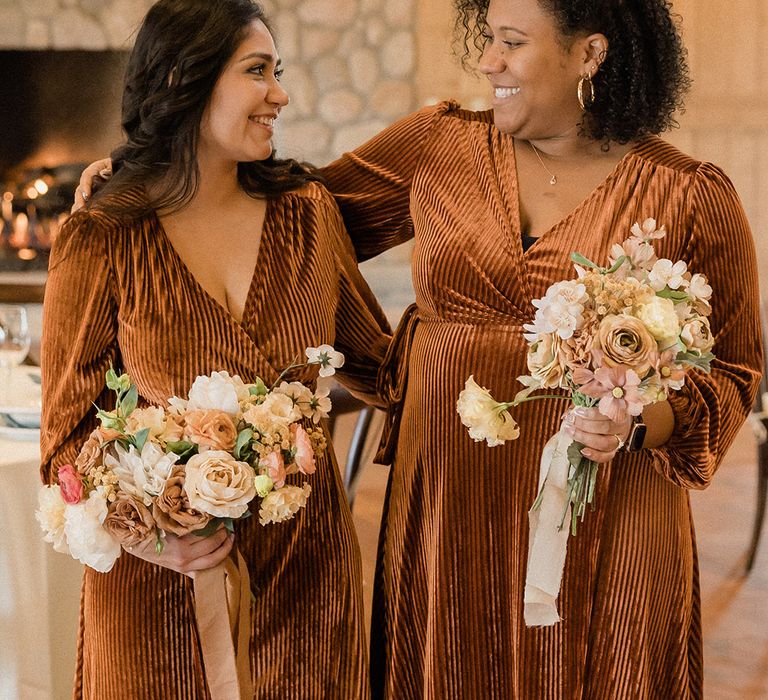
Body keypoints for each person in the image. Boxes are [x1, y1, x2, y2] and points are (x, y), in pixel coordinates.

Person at [76, 0, 763, 697]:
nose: (488, 59)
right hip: (445, 505)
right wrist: (153, 171)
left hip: (608, 512)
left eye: (512, 42)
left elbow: (736, 372)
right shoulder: (440, 146)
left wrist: (640, 422)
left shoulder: (690, 194)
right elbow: (287, 216)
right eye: (487, 37)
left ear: (589, 54)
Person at [42, 0, 390, 697]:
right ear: (182, 80)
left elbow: (380, 363)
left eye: (278, 72)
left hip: (303, 583)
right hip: (154, 597)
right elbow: (63, 446)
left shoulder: (308, 213)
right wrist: (152, 536)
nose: (280, 95)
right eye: (257, 72)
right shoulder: (103, 235)